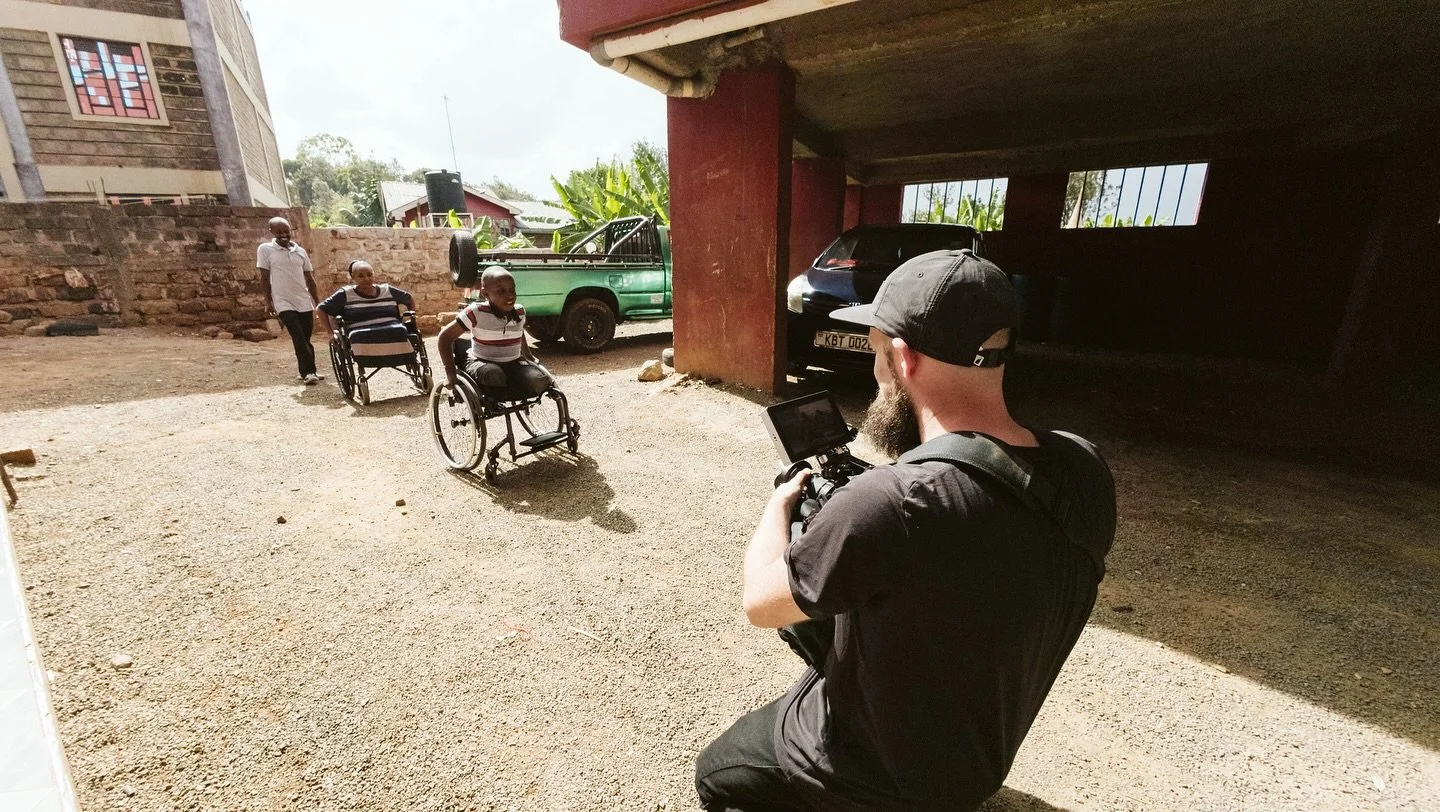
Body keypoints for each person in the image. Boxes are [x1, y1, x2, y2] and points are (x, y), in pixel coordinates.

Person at [695, 249, 1117, 811]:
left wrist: (779, 504)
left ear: (902, 358)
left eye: (875, 357)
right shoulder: (1084, 468)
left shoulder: (897, 502)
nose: (876, 374)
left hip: (870, 779)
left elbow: (761, 603)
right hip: (975, 767)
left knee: (715, 772)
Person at [437, 266, 552, 396]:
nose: (509, 295)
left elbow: (519, 332)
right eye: (501, 291)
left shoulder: (519, 312)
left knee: (539, 380)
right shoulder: (476, 312)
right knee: (493, 374)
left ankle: (511, 382)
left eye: (512, 290)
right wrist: (450, 372)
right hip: (481, 361)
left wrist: (528, 355)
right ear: (485, 294)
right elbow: (444, 338)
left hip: (513, 363)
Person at [257, 217, 322, 384]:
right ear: (271, 231)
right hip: (283, 301)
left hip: (302, 300)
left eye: (286, 231)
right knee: (298, 336)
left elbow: (309, 277)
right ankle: (310, 372)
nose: (283, 235)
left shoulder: (300, 251)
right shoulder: (265, 250)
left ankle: (305, 371)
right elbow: (264, 278)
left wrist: (318, 301)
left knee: (305, 337)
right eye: (279, 232)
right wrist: (268, 301)